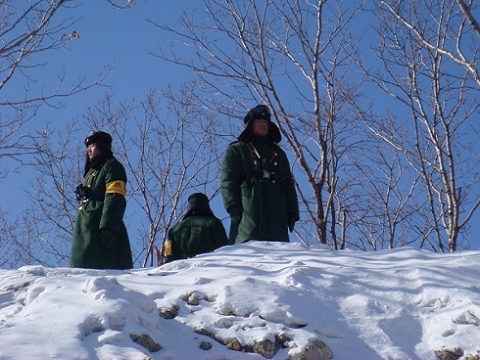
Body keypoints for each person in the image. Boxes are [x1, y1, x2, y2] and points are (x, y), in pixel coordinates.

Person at [221, 104, 299, 244]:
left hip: (276, 205)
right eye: (259, 121)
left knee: (279, 248)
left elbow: (288, 182)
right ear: (251, 125)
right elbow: (228, 179)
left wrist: (292, 211)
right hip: (249, 203)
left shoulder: (278, 153)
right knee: (247, 245)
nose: (263, 124)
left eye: (266, 122)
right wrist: (232, 204)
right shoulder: (238, 150)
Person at [70, 130, 133, 269]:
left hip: (100, 230)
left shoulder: (112, 167)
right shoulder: (90, 174)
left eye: (92, 145)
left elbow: (114, 198)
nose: (89, 150)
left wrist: (108, 228)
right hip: (85, 229)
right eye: (88, 146)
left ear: (102, 146)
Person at [163, 193, 231, 263]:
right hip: (210, 267)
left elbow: (167, 255)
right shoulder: (214, 223)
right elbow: (224, 250)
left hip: (182, 271)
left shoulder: (173, 230)